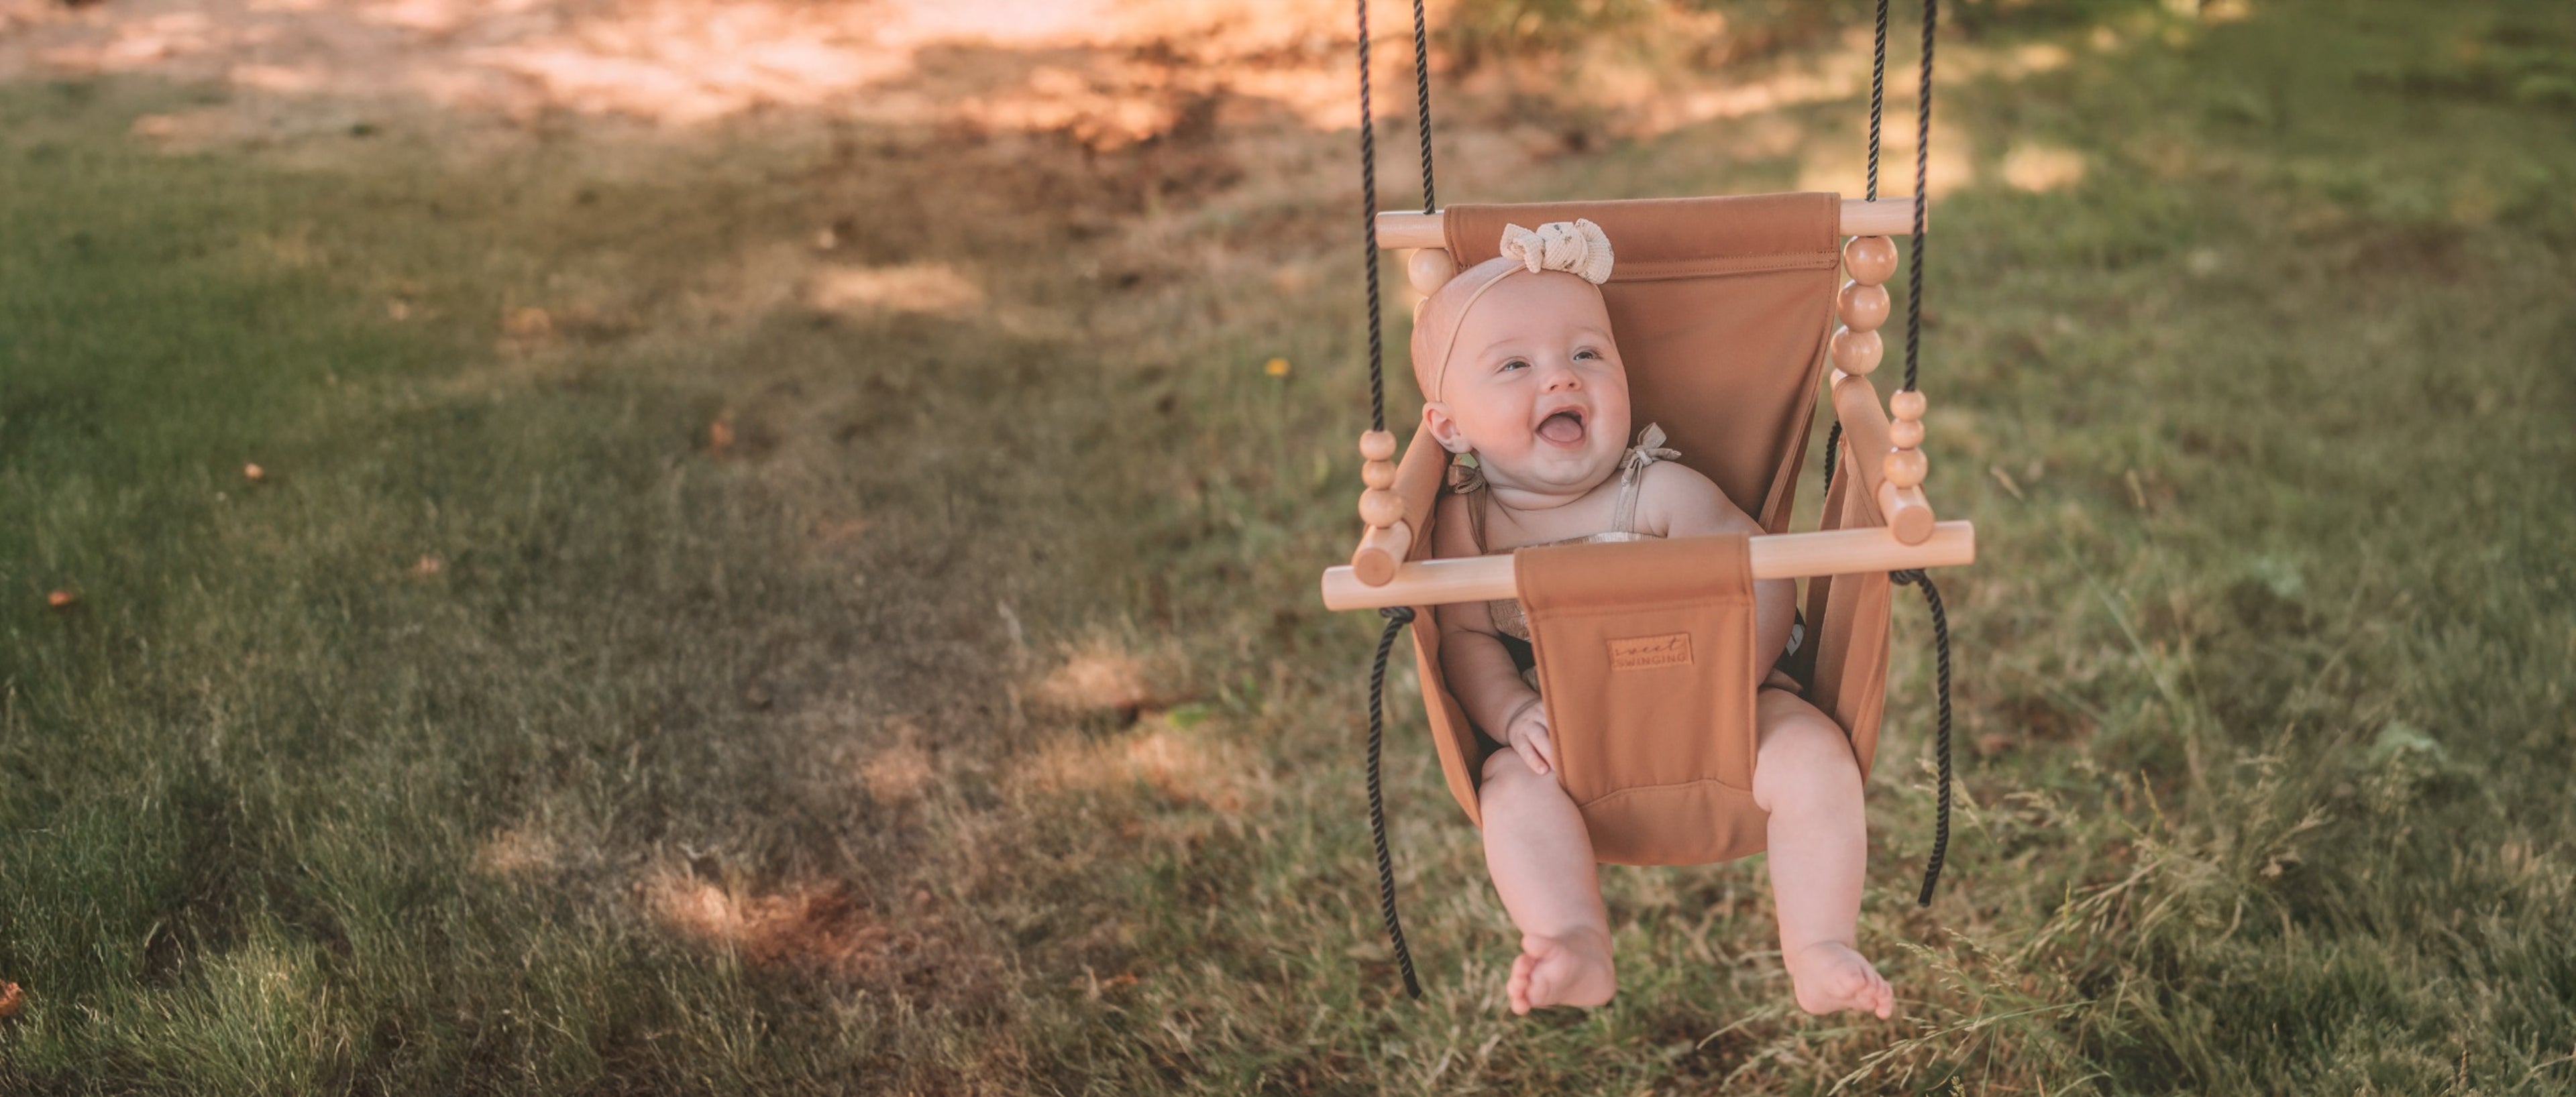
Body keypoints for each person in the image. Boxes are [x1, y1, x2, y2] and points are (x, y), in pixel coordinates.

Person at [1414, 220, 1894, 1019]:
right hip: (1569, 734)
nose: (1561, 379)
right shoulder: (1466, 527)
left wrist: (1731, 681)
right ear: (1449, 427)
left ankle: (1819, 943)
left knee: (1815, 755)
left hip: (1725, 711)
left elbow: (1762, 579)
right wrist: (1511, 712)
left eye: (1587, 355)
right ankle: (1572, 939)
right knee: (1510, 788)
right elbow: (1462, 638)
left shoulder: (1661, 494)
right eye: (1514, 365)